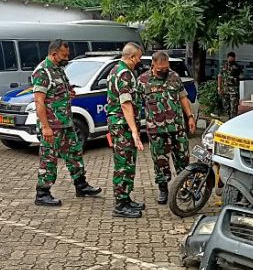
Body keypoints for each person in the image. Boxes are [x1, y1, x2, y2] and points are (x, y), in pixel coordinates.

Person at [32, 39, 101, 207]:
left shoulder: (59, 70)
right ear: (54, 54)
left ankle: (81, 185)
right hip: (52, 126)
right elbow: (39, 102)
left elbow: (59, 91)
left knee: (75, 154)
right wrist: (46, 127)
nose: (67, 58)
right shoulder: (43, 71)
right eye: (64, 55)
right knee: (49, 159)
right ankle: (42, 193)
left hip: (66, 123)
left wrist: (69, 93)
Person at [138, 51, 196, 204]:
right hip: (156, 131)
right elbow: (135, 104)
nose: (164, 71)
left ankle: (185, 188)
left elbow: (183, 97)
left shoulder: (174, 76)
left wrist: (190, 116)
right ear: (153, 64)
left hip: (177, 128)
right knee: (160, 163)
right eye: (160, 69)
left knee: (183, 160)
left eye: (166, 68)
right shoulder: (143, 80)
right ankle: (163, 190)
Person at [106, 42, 145, 218]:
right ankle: (120, 204)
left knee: (128, 162)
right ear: (131, 57)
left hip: (121, 124)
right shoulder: (124, 75)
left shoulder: (116, 70)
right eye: (138, 57)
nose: (139, 61)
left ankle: (126, 198)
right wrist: (135, 132)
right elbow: (126, 104)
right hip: (122, 125)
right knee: (123, 164)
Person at [218, 51, 242, 120]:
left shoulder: (237, 67)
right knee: (226, 106)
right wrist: (219, 87)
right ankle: (226, 121)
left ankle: (233, 120)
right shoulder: (223, 66)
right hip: (225, 90)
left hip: (233, 90)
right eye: (230, 57)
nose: (231, 59)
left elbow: (241, 76)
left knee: (233, 107)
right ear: (228, 58)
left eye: (232, 58)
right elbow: (220, 76)